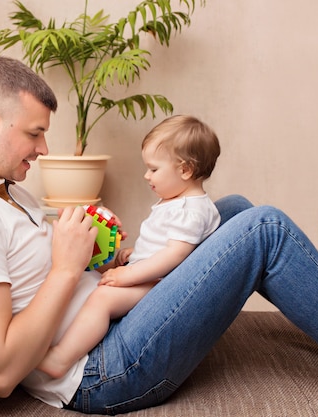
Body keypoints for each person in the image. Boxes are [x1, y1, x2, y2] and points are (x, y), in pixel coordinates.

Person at [0, 56, 318, 414]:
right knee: (264, 227)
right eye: (35, 134)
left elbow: (36, 276)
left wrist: (101, 259)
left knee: (233, 211)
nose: (44, 150)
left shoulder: (3, 192)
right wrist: (65, 268)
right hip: (102, 370)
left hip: (111, 324)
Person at [37, 115, 222, 379]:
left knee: (102, 299)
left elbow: (177, 254)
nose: (147, 176)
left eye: (154, 169)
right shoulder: (178, 202)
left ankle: (61, 358)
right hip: (154, 275)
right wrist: (136, 254)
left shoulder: (189, 210)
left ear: (185, 170)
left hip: (160, 285)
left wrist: (129, 274)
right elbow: (170, 244)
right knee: (98, 287)